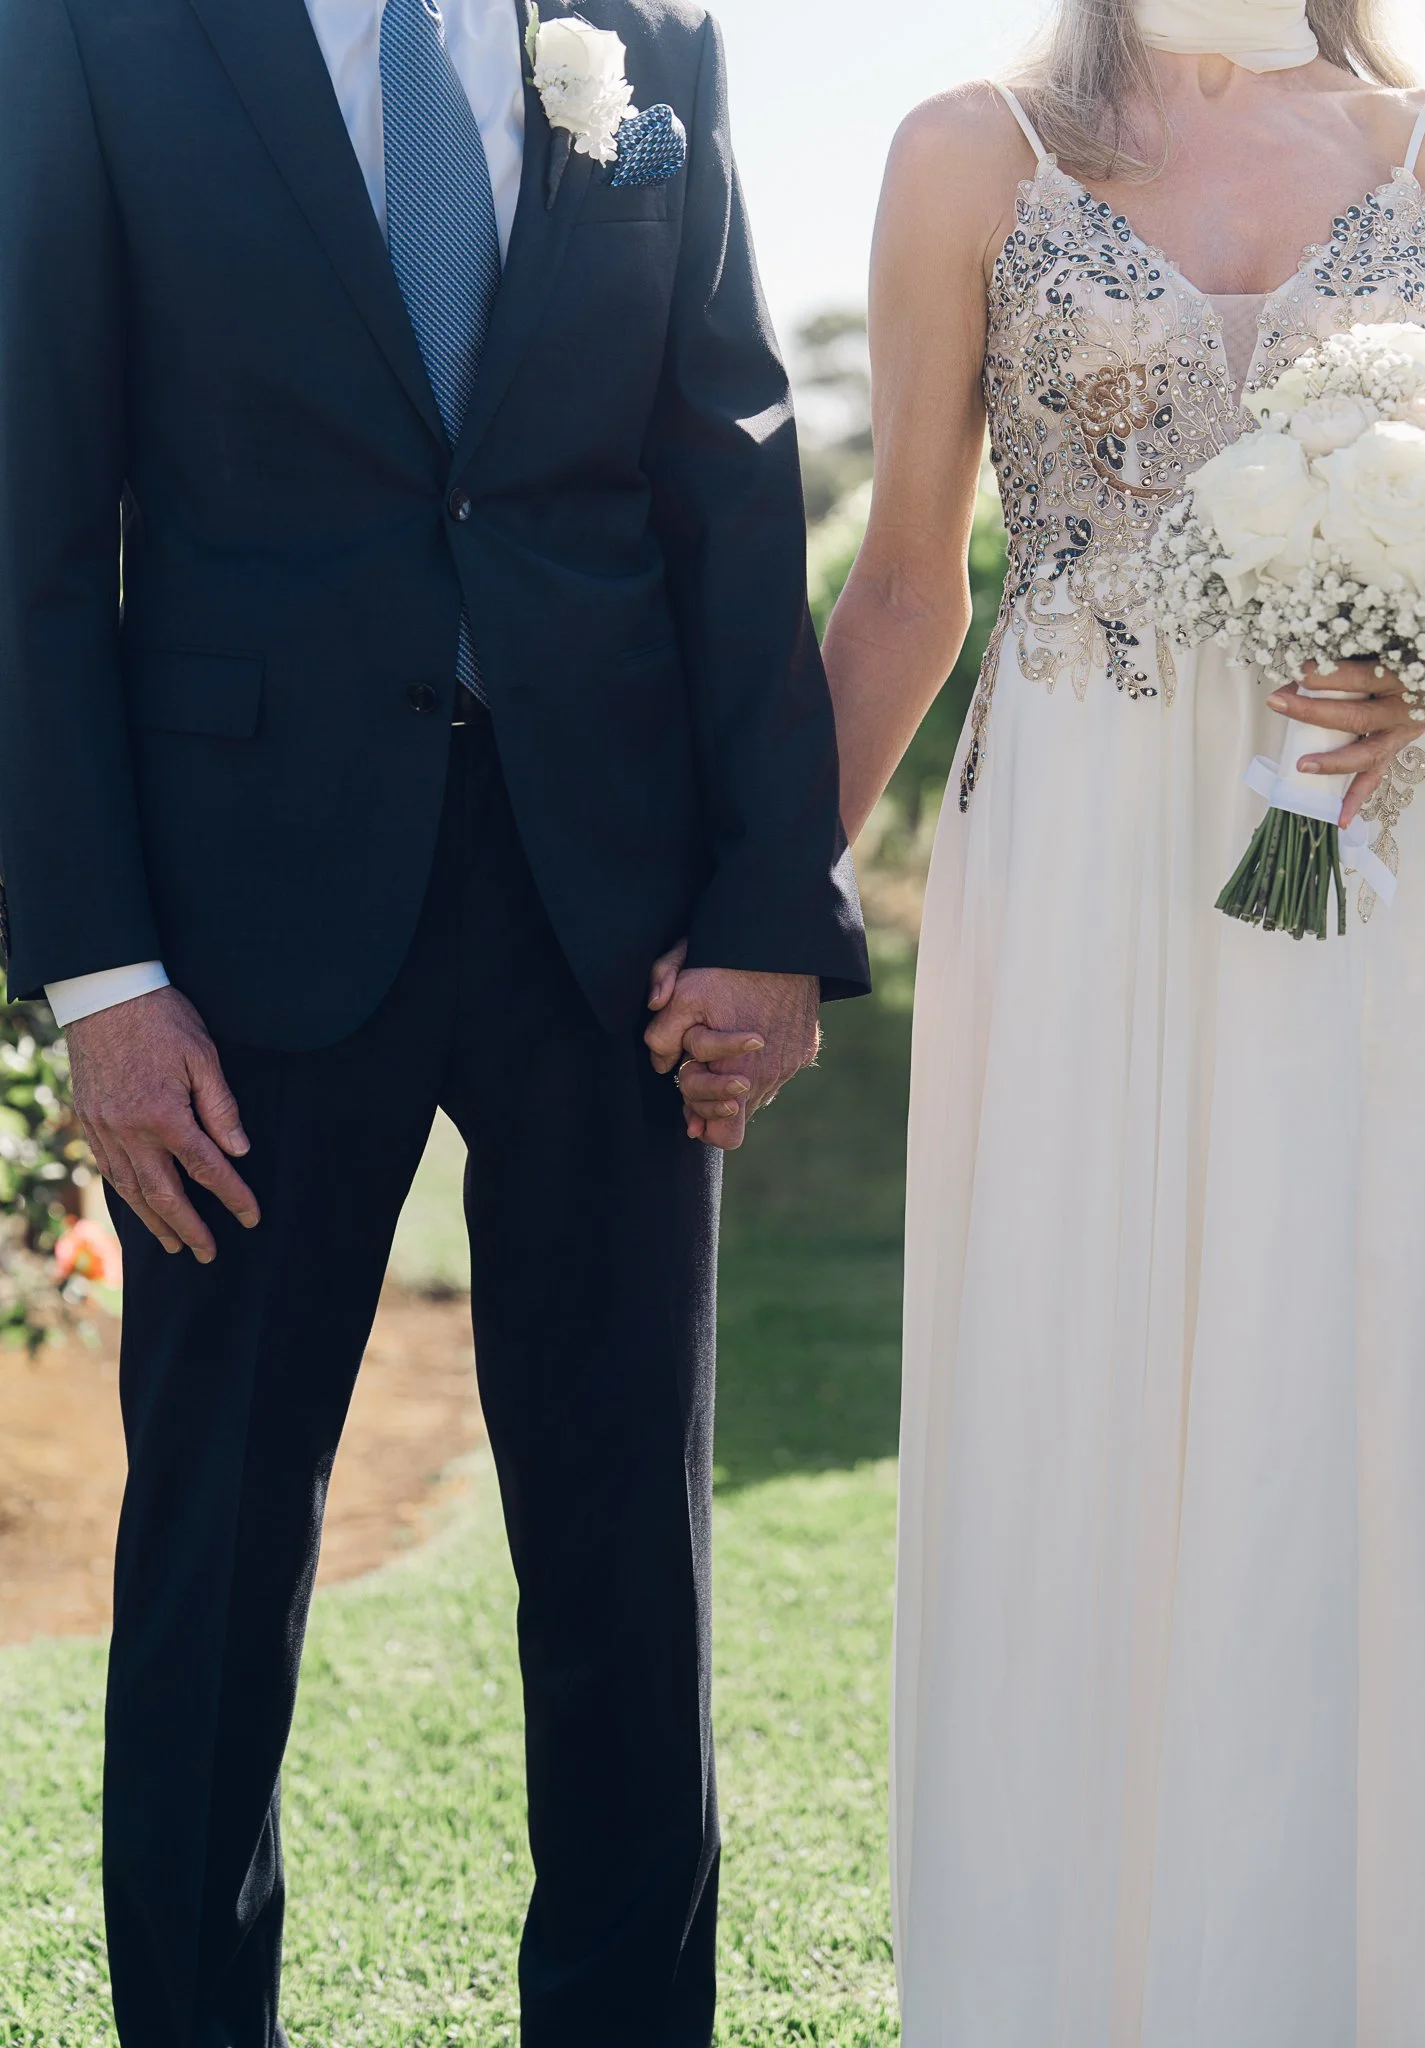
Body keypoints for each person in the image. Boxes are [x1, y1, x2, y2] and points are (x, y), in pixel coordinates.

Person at [0, 0, 868, 2040]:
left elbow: (734, 464)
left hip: (615, 917)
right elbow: (34, 516)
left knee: (625, 1575)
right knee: (214, 1563)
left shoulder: (653, 38)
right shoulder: (94, 34)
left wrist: (767, 905)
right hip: (238, 926)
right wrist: (103, 976)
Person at [823, 0, 1425, 2037]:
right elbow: (906, 587)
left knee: (1372, 1383)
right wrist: (749, 911)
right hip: (1087, 842)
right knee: (1083, 1371)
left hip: (1389, 840)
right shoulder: (975, 150)